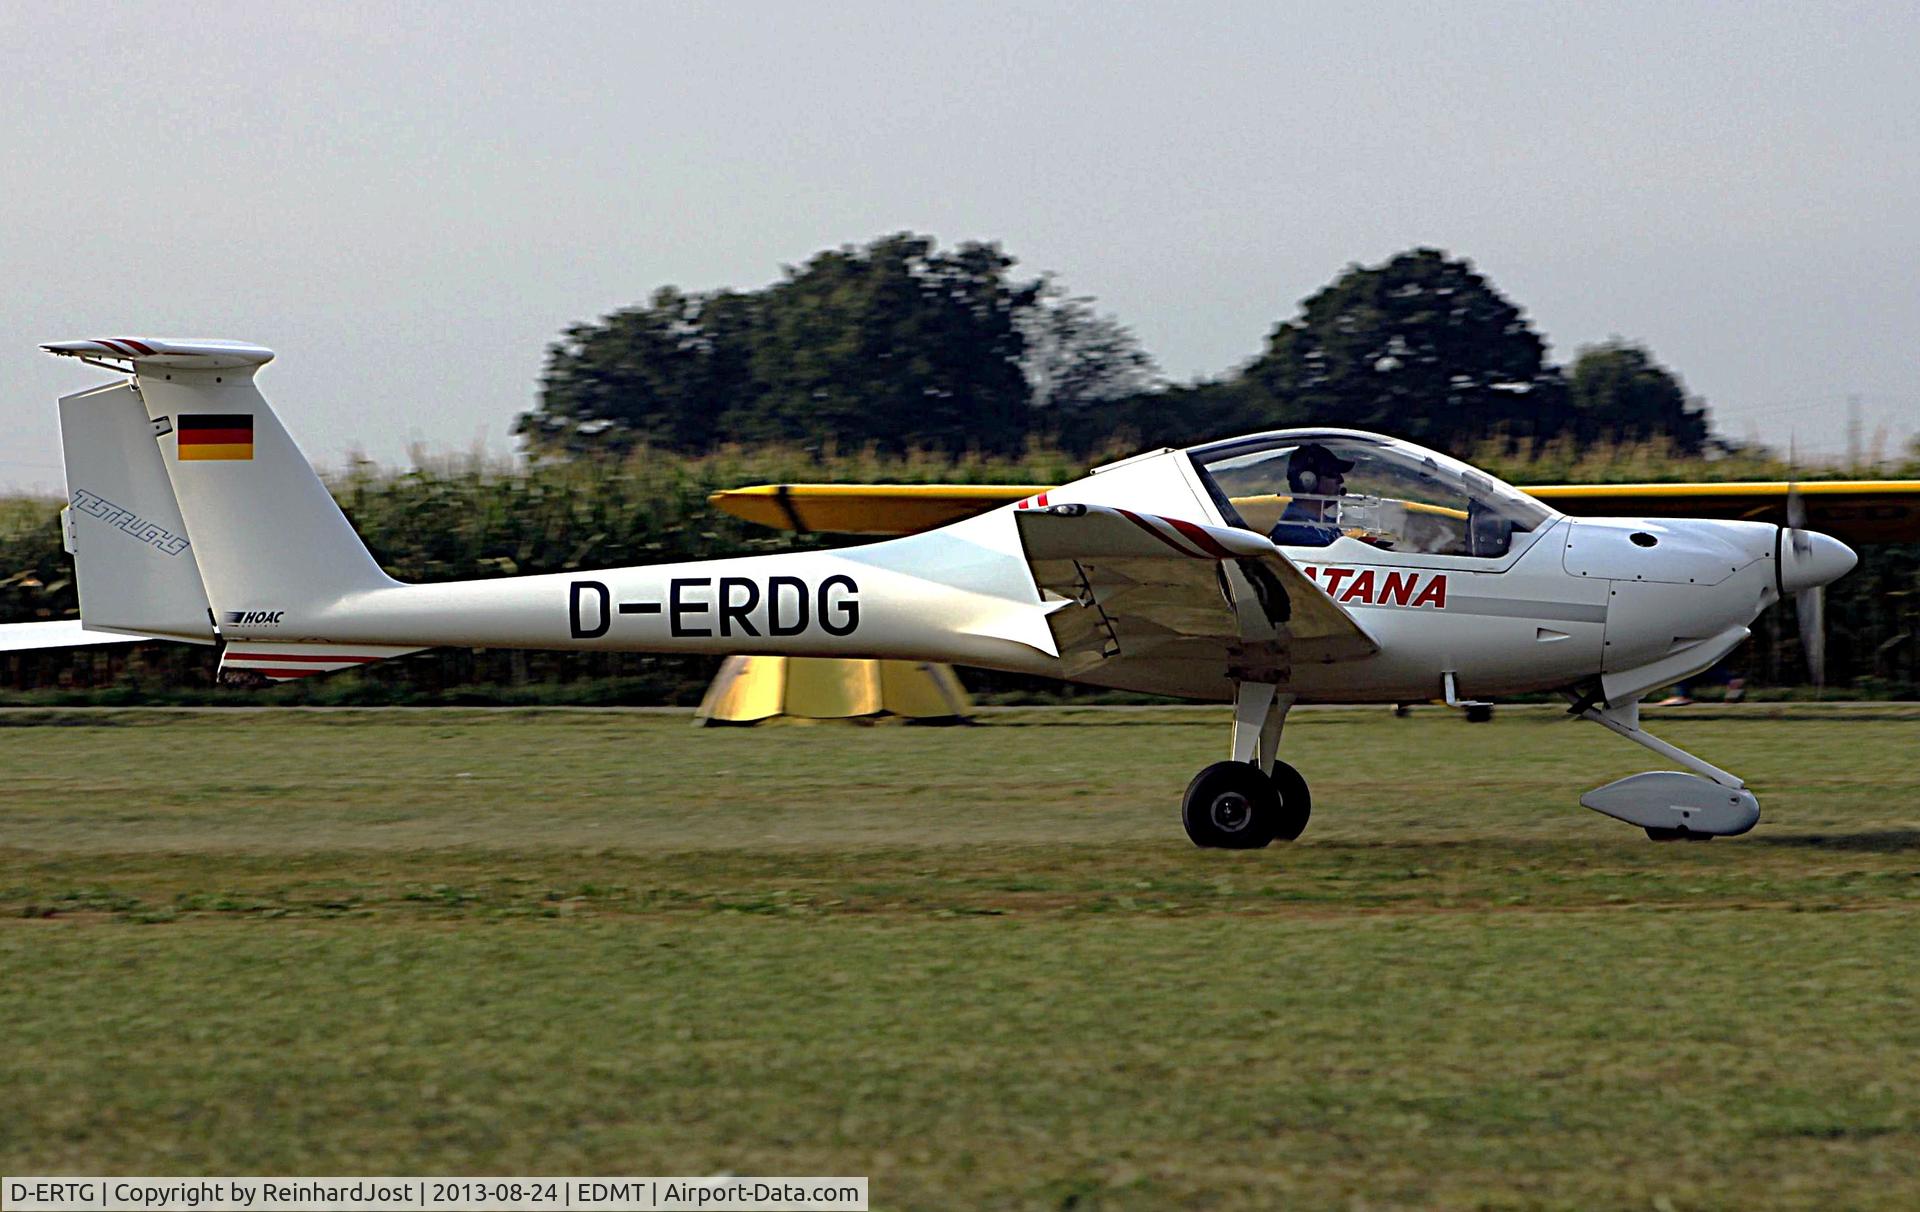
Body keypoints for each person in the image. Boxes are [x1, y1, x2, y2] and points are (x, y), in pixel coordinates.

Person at [1269, 443, 1356, 547]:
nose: (1341, 480)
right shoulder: (1295, 528)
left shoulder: (1325, 524)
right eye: (1332, 473)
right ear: (1308, 481)